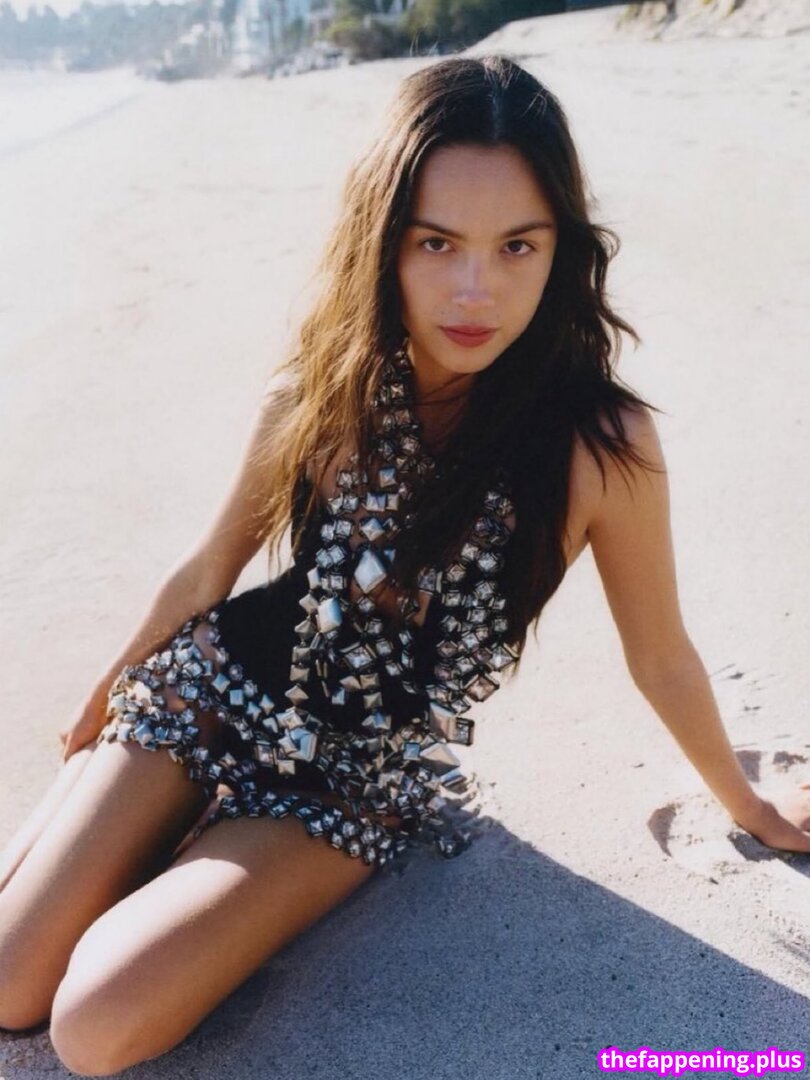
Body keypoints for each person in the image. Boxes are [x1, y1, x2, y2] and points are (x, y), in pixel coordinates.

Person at [1, 53, 808, 1075]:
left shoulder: (602, 445)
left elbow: (662, 656)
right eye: (437, 243)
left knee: (93, 1025)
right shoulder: (319, 388)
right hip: (208, 688)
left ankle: (190, 850)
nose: (476, 289)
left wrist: (746, 803)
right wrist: (107, 702)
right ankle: (129, 814)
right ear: (383, 240)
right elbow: (209, 572)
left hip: (353, 781)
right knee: (10, 986)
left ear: (561, 249)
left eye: (517, 245)